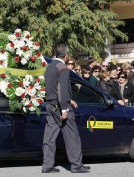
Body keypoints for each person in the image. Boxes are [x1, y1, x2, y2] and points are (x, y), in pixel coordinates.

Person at [42, 44, 90, 173]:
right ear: (66, 55)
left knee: (49, 138)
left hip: (50, 105)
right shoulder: (62, 68)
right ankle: (76, 165)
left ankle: (47, 165)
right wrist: (64, 108)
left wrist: (69, 99)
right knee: (72, 136)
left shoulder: (49, 67)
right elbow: (61, 88)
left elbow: (52, 87)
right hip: (61, 107)